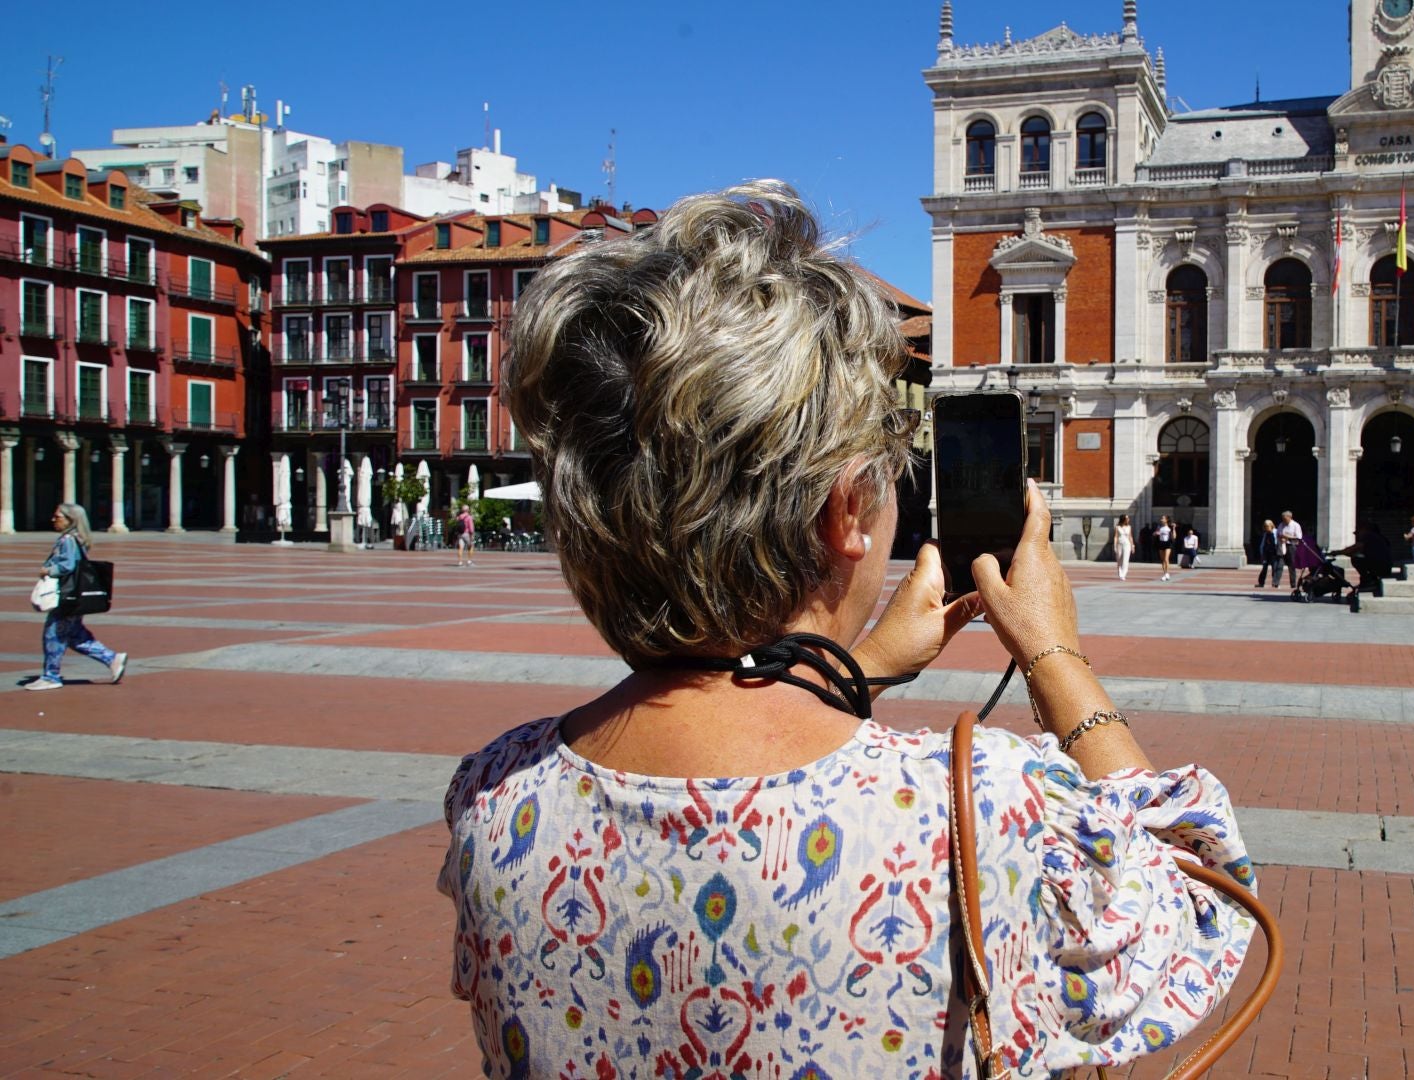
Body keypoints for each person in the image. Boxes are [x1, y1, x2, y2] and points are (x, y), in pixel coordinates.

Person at [439, 183, 1254, 1078]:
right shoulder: (982, 806)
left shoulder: (492, 797)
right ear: (845, 512)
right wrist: (1055, 655)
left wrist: (852, 667)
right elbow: (1204, 908)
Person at [25, 504, 127, 692]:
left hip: (66, 597)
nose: (53, 520)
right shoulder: (77, 539)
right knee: (75, 636)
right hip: (74, 595)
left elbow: (68, 566)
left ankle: (51, 676)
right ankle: (111, 658)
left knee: (53, 635)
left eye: (58, 517)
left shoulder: (67, 540)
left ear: (70, 520)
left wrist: (48, 570)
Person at [1335, 521, 1393, 589]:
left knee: (1356, 558)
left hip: (1382, 567)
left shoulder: (1368, 536)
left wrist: (1337, 553)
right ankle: (1370, 579)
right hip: (1386, 567)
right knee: (1359, 556)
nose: (1357, 535)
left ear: (1364, 530)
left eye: (1358, 532)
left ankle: (1368, 581)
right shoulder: (1380, 537)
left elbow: (1354, 548)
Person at [1279, 510, 1304, 587]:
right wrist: (1281, 537)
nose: (1283, 520)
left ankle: (1293, 583)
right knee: (1279, 564)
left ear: (1290, 517)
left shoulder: (1296, 525)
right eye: (1282, 518)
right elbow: (1279, 533)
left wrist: (1287, 537)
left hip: (1292, 546)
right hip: (1282, 545)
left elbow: (1299, 537)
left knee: (1291, 565)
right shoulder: (1281, 524)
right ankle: (1276, 582)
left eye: (1285, 518)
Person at [1254, 518, 1281, 588]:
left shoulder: (1276, 532)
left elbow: (1277, 542)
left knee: (1274, 568)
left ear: (1271, 525)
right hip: (1266, 553)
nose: (1266, 528)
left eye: (1267, 526)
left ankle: (1275, 583)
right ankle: (1261, 583)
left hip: (1274, 553)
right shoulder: (1265, 534)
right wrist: (1262, 553)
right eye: (1265, 527)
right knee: (1264, 568)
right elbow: (1262, 544)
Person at [1113, 512, 1133, 580]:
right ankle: (1120, 571)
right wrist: (1115, 545)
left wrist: (1132, 545)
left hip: (1127, 544)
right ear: (1123, 519)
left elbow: (1130, 537)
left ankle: (1123, 574)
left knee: (1125, 560)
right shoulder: (1117, 527)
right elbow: (1115, 537)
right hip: (1119, 544)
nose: (1128, 519)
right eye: (1127, 518)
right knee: (1119, 559)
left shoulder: (1129, 527)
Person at [1155, 514, 1175, 580]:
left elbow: (1174, 537)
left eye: (1163, 518)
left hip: (1167, 544)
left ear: (1166, 520)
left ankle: (1167, 573)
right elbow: (1155, 533)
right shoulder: (1159, 527)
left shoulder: (1169, 528)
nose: (1161, 519)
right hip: (1161, 543)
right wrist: (1156, 533)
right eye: (1161, 518)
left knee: (1166, 559)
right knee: (1162, 560)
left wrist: (1174, 528)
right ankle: (1164, 574)